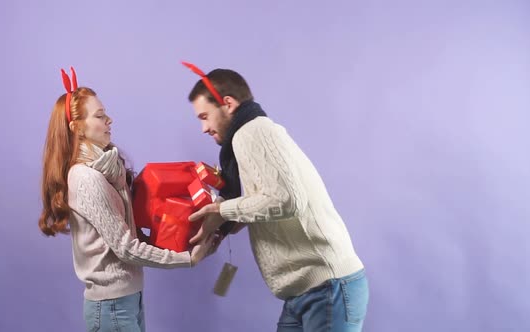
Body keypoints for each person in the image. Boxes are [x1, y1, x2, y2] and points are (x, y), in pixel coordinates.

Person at [183, 62, 369, 331]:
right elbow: (268, 201)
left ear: (228, 104)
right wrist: (221, 223)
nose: (204, 128)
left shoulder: (252, 133)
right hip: (307, 291)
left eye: (204, 116)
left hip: (326, 289)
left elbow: (286, 199)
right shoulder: (251, 134)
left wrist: (221, 212)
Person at [38, 67, 214, 332]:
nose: (109, 120)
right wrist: (187, 259)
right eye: (99, 116)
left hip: (127, 298)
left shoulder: (109, 170)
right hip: (110, 305)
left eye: (105, 113)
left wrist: (183, 237)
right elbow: (125, 247)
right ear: (77, 128)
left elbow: (128, 234)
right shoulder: (87, 179)